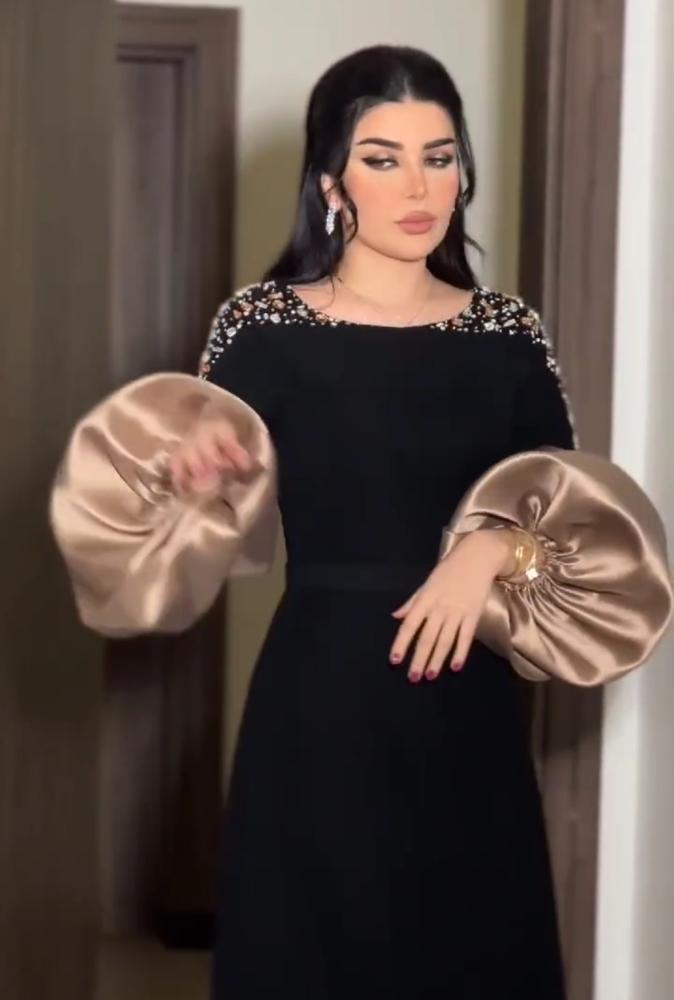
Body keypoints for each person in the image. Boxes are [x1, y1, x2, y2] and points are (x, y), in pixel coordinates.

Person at [49, 46, 672, 999]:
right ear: (332, 181)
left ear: (463, 171)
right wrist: (188, 468)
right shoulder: (260, 327)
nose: (419, 187)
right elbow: (163, 536)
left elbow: (585, 534)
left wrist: (490, 547)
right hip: (319, 707)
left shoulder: (508, 335)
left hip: (465, 714)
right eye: (383, 158)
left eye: (440, 156)